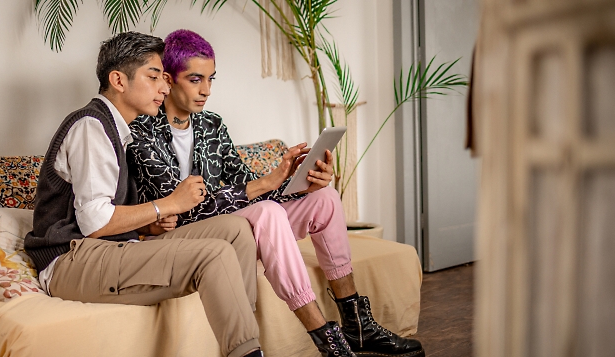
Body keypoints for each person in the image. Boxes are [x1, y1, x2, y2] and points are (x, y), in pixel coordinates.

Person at [127, 29, 425, 357]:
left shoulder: (211, 125)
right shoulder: (141, 130)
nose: (207, 90)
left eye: (211, 79)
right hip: (181, 237)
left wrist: (295, 183)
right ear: (167, 80)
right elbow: (178, 210)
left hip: (233, 227)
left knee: (324, 199)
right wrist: (264, 185)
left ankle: (357, 325)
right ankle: (325, 337)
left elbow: (243, 182)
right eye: (196, 80)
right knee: (266, 212)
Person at [24, 32, 264, 357]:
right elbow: (94, 222)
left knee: (236, 231)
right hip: (71, 260)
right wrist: (168, 204)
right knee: (214, 253)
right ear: (118, 80)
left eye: (164, 79)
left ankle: (244, 338)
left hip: (107, 248)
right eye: (154, 77)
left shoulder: (119, 131)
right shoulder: (91, 127)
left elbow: (106, 214)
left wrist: (146, 227)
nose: (164, 88)